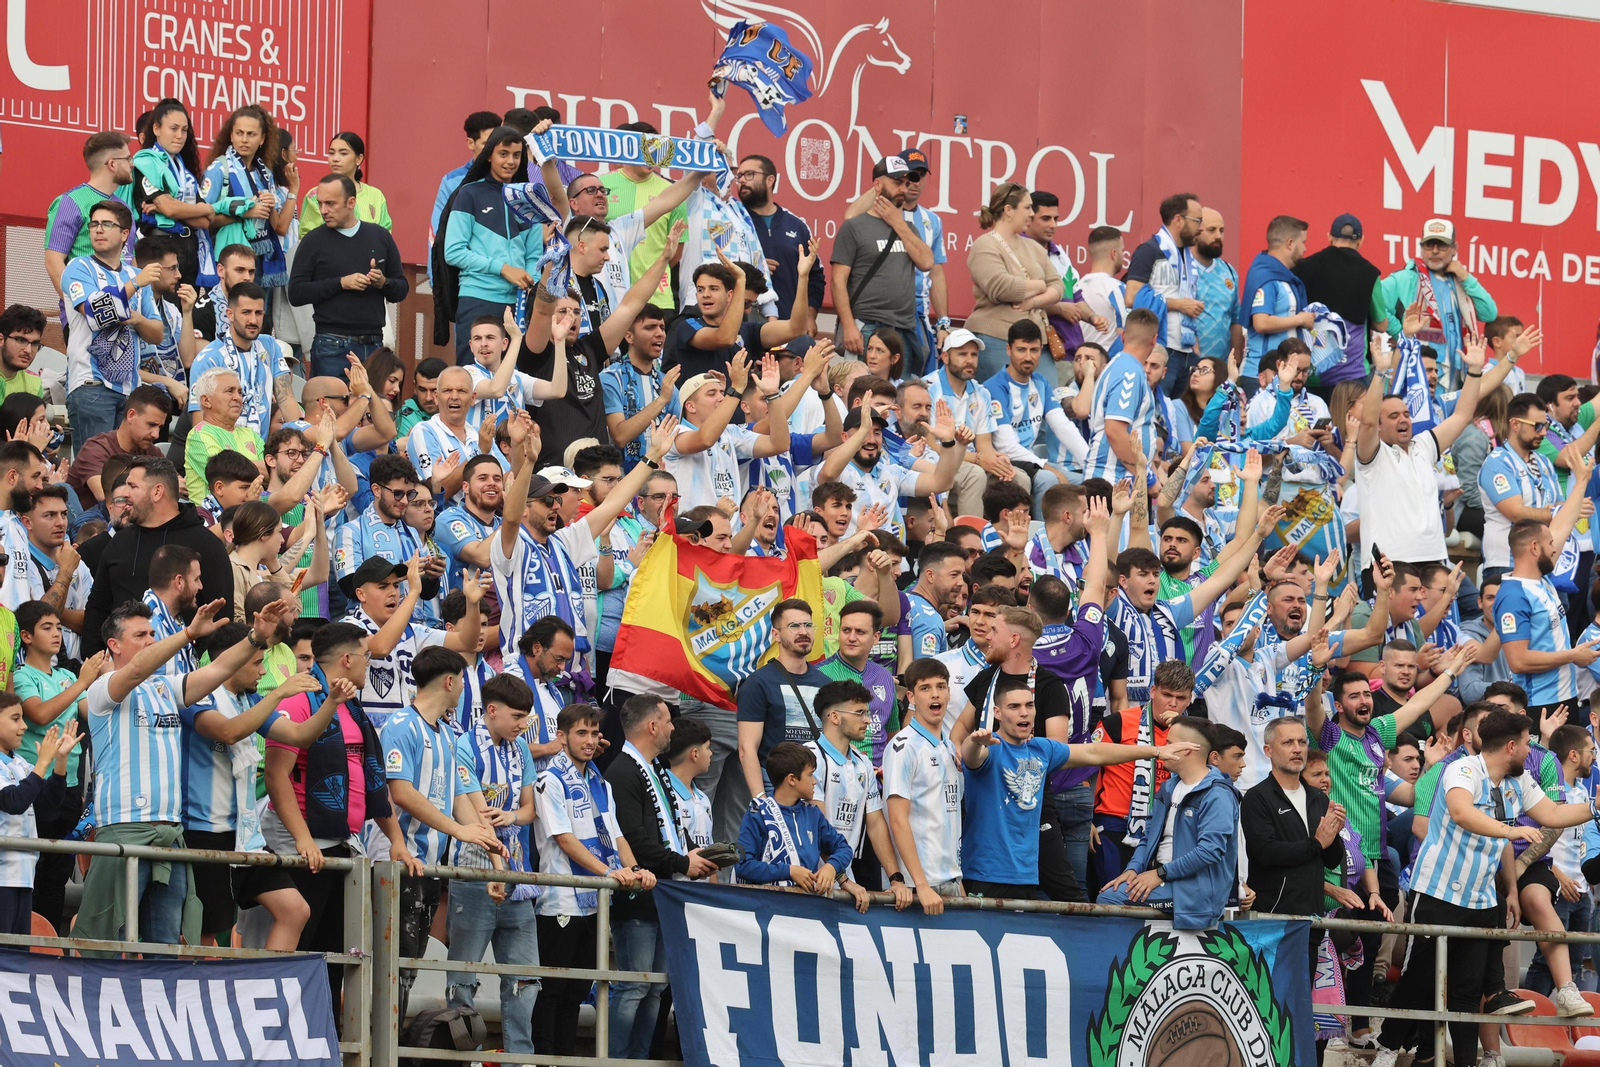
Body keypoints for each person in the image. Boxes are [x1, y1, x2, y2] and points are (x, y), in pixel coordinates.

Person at [1373, 709, 1600, 1067]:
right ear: (1511, 746)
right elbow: (1462, 813)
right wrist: (1510, 831)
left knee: (1467, 990)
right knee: (1418, 980)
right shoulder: (1462, 770)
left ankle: (1465, 1062)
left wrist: (1594, 808)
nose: (1531, 752)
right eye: (1527, 744)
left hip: (1480, 898)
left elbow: (1553, 816)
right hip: (1437, 892)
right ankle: (1387, 1047)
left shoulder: (1518, 781)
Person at [76, 595, 291, 948]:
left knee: (168, 942)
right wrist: (189, 633)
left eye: (152, 634)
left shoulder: (165, 688)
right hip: (125, 828)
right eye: (141, 635)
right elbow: (135, 670)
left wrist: (255, 637)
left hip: (171, 832)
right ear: (113, 645)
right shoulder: (102, 688)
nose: (151, 640)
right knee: (109, 940)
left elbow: (218, 671)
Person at [262, 621, 419, 1016]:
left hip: (343, 844)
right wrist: (302, 838)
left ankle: (324, 1041)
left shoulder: (352, 707)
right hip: (307, 845)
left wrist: (396, 839)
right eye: (367, 656)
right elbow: (276, 775)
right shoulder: (301, 700)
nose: (371, 663)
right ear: (347, 660)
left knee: (336, 951)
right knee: (304, 946)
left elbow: (371, 780)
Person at [962, 670, 1196, 902]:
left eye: (1029, 705)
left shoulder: (1042, 749)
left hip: (1025, 876)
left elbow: (1094, 752)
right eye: (1014, 707)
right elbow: (971, 757)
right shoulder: (989, 748)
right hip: (986, 874)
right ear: (997, 713)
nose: (1024, 712)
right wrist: (974, 742)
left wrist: (1156, 751)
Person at [179, 622, 331, 947]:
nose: (263, 672)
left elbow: (299, 736)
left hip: (247, 838)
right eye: (257, 663)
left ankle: (265, 989)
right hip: (206, 832)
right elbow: (228, 732)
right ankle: (212, 994)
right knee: (207, 933)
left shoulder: (249, 700)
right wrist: (279, 693)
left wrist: (333, 702)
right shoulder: (196, 694)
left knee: (295, 910)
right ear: (233, 659)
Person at [379, 645, 503, 1023]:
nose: (465, 688)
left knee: (410, 963)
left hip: (432, 867)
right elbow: (400, 792)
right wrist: (459, 830)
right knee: (391, 965)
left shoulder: (450, 734)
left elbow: (462, 796)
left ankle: (393, 1044)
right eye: (463, 679)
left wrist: (488, 846)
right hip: (396, 865)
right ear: (450, 681)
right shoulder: (400, 726)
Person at [495, 410, 675, 663]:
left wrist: (653, 455)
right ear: (525, 506)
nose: (555, 506)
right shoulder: (510, 546)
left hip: (569, 673)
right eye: (547, 501)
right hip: (526, 673)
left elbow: (613, 503)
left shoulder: (562, 542)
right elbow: (511, 518)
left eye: (558, 500)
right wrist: (528, 461)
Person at [1356, 309, 1523, 568]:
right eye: (1394, 416)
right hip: (1391, 565)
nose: (1404, 419)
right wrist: (1380, 372)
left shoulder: (1424, 443)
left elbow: (1464, 413)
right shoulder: (1372, 454)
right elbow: (1367, 421)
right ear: (1379, 426)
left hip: (1433, 561)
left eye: (1407, 414)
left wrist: (1477, 369)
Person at [531, 703, 653, 1056]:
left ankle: (566, 1060)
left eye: (594, 733)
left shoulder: (599, 780)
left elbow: (617, 837)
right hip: (560, 900)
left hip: (596, 899)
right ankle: (544, 1062)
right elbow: (563, 838)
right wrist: (609, 873)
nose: (589, 740)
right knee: (553, 990)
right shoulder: (549, 780)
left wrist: (633, 869)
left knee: (577, 991)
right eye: (580, 733)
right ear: (562, 736)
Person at [604, 694, 721, 1058]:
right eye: (668, 721)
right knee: (634, 987)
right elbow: (634, 838)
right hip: (639, 895)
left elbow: (669, 829)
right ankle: (614, 1061)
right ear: (652, 726)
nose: (673, 728)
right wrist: (681, 863)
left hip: (664, 895)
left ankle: (637, 1061)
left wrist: (693, 857)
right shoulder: (622, 771)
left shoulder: (653, 770)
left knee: (655, 988)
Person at [524, 223, 685, 464]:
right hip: (556, 474)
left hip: (598, 474)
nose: (571, 317)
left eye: (577, 312)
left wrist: (664, 258)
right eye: (564, 311)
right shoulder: (535, 353)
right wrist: (551, 267)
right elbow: (542, 308)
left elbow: (632, 304)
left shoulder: (589, 348)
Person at [445, 673, 539, 1056]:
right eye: (517, 716)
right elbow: (476, 817)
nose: (522, 724)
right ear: (492, 710)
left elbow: (530, 810)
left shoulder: (523, 750)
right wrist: (497, 866)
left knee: (525, 980)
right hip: (473, 874)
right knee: (462, 980)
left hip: (516, 879)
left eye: (526, 717)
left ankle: (520, 1060)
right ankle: (460, 1059)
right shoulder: (463, 746)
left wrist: (512, 817)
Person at [11, 602, 107, 933]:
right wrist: (82, 684)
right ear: (25, 636)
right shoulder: (22, 676)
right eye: (46, 627)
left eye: (57, 627)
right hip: (35, 788)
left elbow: (91, 715)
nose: (56, 634)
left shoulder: (67, 675)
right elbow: (39, 714)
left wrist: (106, 679)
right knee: (34, 872)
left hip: (68, 788)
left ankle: (49, 949)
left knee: (56, 875)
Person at [81, 456, 233, 657]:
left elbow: (219, 620)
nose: (124, 494)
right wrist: (96, 665)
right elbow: (97, 610)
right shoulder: (119, 543)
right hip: (119, 676)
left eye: (132, 486)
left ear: (157, 492)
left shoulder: (206, 545)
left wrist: (195, 674)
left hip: (183, 676)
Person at [1097, 716, 1238, 929]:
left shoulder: (1217, 794)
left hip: (1195, 895)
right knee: (1112, 891)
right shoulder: (1169, 787)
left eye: (1170, 743)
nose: (1163, 748)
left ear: (1187, 749)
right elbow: (1148, 837)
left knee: (1109, 899)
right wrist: (1133, 869)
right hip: (1165, 880)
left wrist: (1159, 874)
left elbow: (1209, 851)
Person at [1240, 717, 1348, 973]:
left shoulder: (1318, 798)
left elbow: (1331, 860)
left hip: (1310, 921)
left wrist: (1334, 833)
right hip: (1271, 921)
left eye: (1302, 742)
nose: (1297, 749)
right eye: (1288, 742)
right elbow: (1263, 852)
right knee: (1268, 1004)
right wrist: (1316, 843)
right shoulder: (1257, 797)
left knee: (1300, 1006)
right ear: (1268, 750)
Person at [62, 199, 164, 442]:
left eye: (107, 224)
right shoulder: (78, 267)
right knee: (95, 469)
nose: (98, 229)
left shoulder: (135, 273)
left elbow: (158, 333)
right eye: (94, 224)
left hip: (132, 391)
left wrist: (138, 319)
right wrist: (135, 285)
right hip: (91, 385)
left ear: (124, 234)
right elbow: (95, 312)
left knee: (124, 473)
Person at [289, 173, 409, 378]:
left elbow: (401, 289)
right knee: (329, 408)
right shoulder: (313, 240)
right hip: (331, 345)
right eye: (320, 203)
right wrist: (341, 283)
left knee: (372, 408)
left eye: (331, 203)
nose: (323, 210)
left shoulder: (380, 236)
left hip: (374, 346)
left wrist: (383, 282)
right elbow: (296, 293)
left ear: (351, 202)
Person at [441, 127, 544, 364]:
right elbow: (453, 252)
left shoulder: (528, 198)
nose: (510, 161)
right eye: (503, 154)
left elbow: (535, 254)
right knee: (473, 377)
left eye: (516, 155)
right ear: (489, 155)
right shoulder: (469, 194)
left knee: (514, 380)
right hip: (478, 299)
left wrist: (530, 280)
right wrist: (503, 268)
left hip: (518, 304)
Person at [736, 740, 866, 910]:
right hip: (767, 909)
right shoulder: (757, 814)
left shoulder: (813, 814)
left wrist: (831, 867)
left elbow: (843, 848)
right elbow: (743, 866)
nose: (814, 781)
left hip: (806, 912)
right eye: (810, 774)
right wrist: (789, 871)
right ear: (791, 779)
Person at [1498, 506, 1600, 723]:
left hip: (1565, 697)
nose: (1555, 549)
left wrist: (1581, 482)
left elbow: (1562, 526)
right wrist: (1572, 655)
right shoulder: (1513, 596)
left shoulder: (1543, 581)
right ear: (1535, 547)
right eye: (1550, 543)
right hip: (1539, 706)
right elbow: (1518, 660)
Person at [831, 155, 936, 360]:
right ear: (877, 185)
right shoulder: (854, 227)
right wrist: (850, 326)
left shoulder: (909, 228)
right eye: (897, 183)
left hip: (904, 327)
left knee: (900, 391)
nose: (903, 189)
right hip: (867, 325)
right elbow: (837, 281)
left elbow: (927, 262)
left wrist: (897, 223)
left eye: (906, 184)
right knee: (862, 390)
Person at [883, 658, 964, 911]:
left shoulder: (949, 747)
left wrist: (957, 879)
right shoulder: (903, 747)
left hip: (950, 881)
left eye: (941, 686)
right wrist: (921, 884)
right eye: (925, 688)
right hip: (918, 888)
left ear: (949, 693)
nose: (935, 694)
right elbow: (897, 819)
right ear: (911, 697)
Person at [201, 105, 298, 319]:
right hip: (229, 262)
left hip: (260, 263)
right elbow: (201, 219)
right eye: (239, 133)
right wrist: (242, 213)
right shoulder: (219, 169)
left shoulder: (265, 174)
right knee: (228, 319)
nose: (244, 139)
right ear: (231, 135)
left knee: (257, 322)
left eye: (251, 134)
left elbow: (278, 227)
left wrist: (293, 190)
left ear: (262, 139)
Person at [1379, 218, 1498, 390]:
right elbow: (1374, 305)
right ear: (1421, 247)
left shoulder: (1458, 283)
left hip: (1452, 380)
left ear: (1454, 249)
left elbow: (1489, 313)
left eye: (1441, 245)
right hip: (1413, 376)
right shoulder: (1406, 278)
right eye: (1429, 245)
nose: (1434, 251)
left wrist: (1465, 276)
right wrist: (1401, 335)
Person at [661, 246, 813, 379]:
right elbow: (725, 338)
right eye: (700, 290)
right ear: (731, 295)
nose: (706, 294)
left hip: (740, 411)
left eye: (713, 289)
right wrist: (740, 279)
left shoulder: (747, 330)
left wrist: (803, 277)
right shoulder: (688, 325)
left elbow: (796, 328)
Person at [1524, 723, 1597, 999]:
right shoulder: (1546, 794)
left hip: (1580, 891)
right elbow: (1531, 841)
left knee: (1574, 965)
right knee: (1546, 964)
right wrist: (1555, 874)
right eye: (1591, 751)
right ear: (1574, 755)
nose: (1595, 757)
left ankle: (1561, 1032)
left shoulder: (1583, 795)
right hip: (1555, 887)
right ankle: (1525, 1032)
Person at [964, 183, 1063, 382]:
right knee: (1002, 406)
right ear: (1008, 210)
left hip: (1038, 343)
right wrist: (1041, 285)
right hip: (996, 339)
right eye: (1027, 207)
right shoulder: (985, 245)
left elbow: (1059, 286)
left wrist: (1033, 302)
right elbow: (1002, 288)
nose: (1032, 213)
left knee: (1046, 405)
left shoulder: (1034, 247)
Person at [983, 319, 1082, 514]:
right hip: (1005, 462)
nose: (1028, 357)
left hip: (1031, 460)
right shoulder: (995, 387)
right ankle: (1040, 539)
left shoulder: (1040, 382)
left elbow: (1063, 426)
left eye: (1034, 350)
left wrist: (1091, 462)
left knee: (1085, 480)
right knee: (1049, 478)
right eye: (1021, 350)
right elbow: (1006, 446)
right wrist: (1049, 468)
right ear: (1008, 350)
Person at [0, 695, 79, 935]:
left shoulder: (21, 763)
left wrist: (60, 763)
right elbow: (14, 801)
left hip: (24, 876)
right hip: (2, 878)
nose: (24, 726)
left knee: (18, 962)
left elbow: (45, 808)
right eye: (15, 719)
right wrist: (43, 762)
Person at [187, 281, 297, 439]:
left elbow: (287, 398)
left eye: (258, 313)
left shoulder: (270, 345)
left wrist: (301, 440)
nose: (253, 320)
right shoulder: (208, 359)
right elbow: (200, 427)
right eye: (246, 312)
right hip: (226, 453)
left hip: (261, 449)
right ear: (229, 314)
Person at [1294, 213, 1386, 392]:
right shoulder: (1370, 273)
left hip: (1313, 374)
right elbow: (1381, 325)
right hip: (1352, 374)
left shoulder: (1304, 267)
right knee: (1352, 421)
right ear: (1360, 241)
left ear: (1329, 237)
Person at [131, 98, 216, 286]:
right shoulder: (145, 162)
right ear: (156, 129)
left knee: (186, 312)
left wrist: (176, 209)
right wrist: (199, 209)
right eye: (174, 128)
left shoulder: (185, 174)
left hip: (190, 250)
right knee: (163, 312)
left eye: (184, 130)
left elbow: (204, 220)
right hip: (160, 247)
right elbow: (170, 208)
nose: (180, 136)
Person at [735, 153, 824, 333]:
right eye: (739, 176)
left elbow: (815, 277)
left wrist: (809, 316)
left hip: (789, 329)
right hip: (744, 328)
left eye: (749, 174)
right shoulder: (732, 219)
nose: (742, 180)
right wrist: (753, 268)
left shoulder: (797, 225)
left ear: (770, 180)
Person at [44, 131, 135, 302]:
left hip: (127, 314)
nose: (132, 164)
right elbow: (53, 262)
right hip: (86, 315)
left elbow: (130, 259)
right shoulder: (70, 202)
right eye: (128, 159)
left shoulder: (125, 209)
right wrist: (80, 308)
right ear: (112, 164)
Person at [1123, 193, 1203, 360]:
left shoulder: (1188, 258)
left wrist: (1193, 340)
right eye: (1197, 221)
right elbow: (1131, 298)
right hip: (1159, 348)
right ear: (1178, 220)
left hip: (1187, 349)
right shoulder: (1148, 251)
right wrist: (1179, 305)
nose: (1201, 227)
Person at [427, 110, 502, 288]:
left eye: (498, 143)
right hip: (467, 286)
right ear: (470, 143)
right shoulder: (452, 182)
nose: (494, 149)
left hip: (507, 284)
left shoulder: (513, 181)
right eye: (487, 144)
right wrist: (437, 282)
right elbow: (437, 236)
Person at [1084, 308, 1160, 483]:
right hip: (1111, 479)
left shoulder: (1121, 366)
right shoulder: (1129, 372)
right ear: (1154, 340)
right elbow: (1115, 431)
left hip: (1118, 479)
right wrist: (1147, 478)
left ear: (1123, 335)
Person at [1241, 215, 1313, 387]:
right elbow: (1261, 322)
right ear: (1290, 243)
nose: (1305, 248)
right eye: (1302, 242)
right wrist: (1301, 319)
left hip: (1281, 375)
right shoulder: (1266, 277)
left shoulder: (1284, 278)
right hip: (1259, 376)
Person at [298, 131, 391, 234]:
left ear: (359, 159)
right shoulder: (315, 195)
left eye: (343, 153)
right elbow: (306, 236)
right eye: (331, 153)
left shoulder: (376, 196)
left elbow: (385, 237)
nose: (335, 159)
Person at [1188, 208, 1244, 372]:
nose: (1218, 236)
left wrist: (1236, 359)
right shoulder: (1182, 267)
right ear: (1195, 233)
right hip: (1189, 365)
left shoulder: (1229, 272)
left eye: (1221, 230)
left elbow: (1235, 320)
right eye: (1211, 230)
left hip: (1220, 368)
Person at [1077, 227, 1128, 349]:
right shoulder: (1117, 288)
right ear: (1114, 253)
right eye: (1123, 251)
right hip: (1107, 361)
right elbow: (1124, 334)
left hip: (1080, 361)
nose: (1123, 255)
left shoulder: (1076, 287)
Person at [0, 304, 44, 403]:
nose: (28, 350)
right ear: (1, 340)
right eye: (20, 340)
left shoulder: (34, 384)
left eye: (34, 344)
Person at [396, 357, 446, 439]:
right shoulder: (405, 417)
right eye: (422, 390)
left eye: (434, 390)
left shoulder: (458, 409)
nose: (428, 398)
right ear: (415, 387)